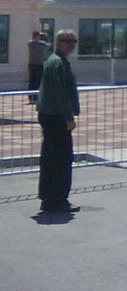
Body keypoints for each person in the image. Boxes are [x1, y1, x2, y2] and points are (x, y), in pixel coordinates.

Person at [36, 29, 81, 214]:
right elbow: (59, 94)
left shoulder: (59, 61)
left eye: (73, 41)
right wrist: (68, 117)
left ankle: (53, 199)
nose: (70, 44)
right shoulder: (56, 63)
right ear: (58, 42)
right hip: (55, 117)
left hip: (53, 115)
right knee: (60, 159)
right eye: (66, 40)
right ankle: (55, 200)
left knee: (54, 158)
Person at [27, 30, 49, 104]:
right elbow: (47, 45)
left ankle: (31, 97)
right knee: (37, 81)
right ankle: (35, 97)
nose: (40, 37)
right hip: (38, 64)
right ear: (36, 36)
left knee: (32, 81)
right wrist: (45, 37)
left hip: (32, 64)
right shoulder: (42, 44)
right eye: (39, 36)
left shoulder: (30, 43)